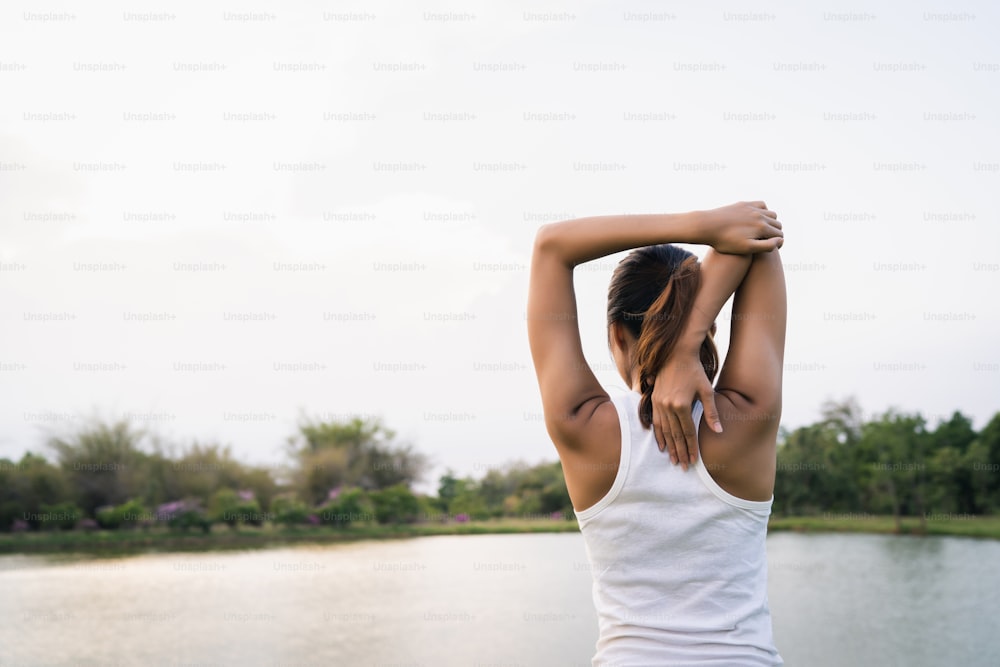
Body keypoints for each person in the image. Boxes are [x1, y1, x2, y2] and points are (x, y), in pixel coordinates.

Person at [526, 201, 786, 665]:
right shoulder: (747, 416)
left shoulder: (580, 423)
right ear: (709, 329)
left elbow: (551, 247)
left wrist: (699, 226)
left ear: (615, 335)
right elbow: (760, 236)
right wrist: (686, 341)